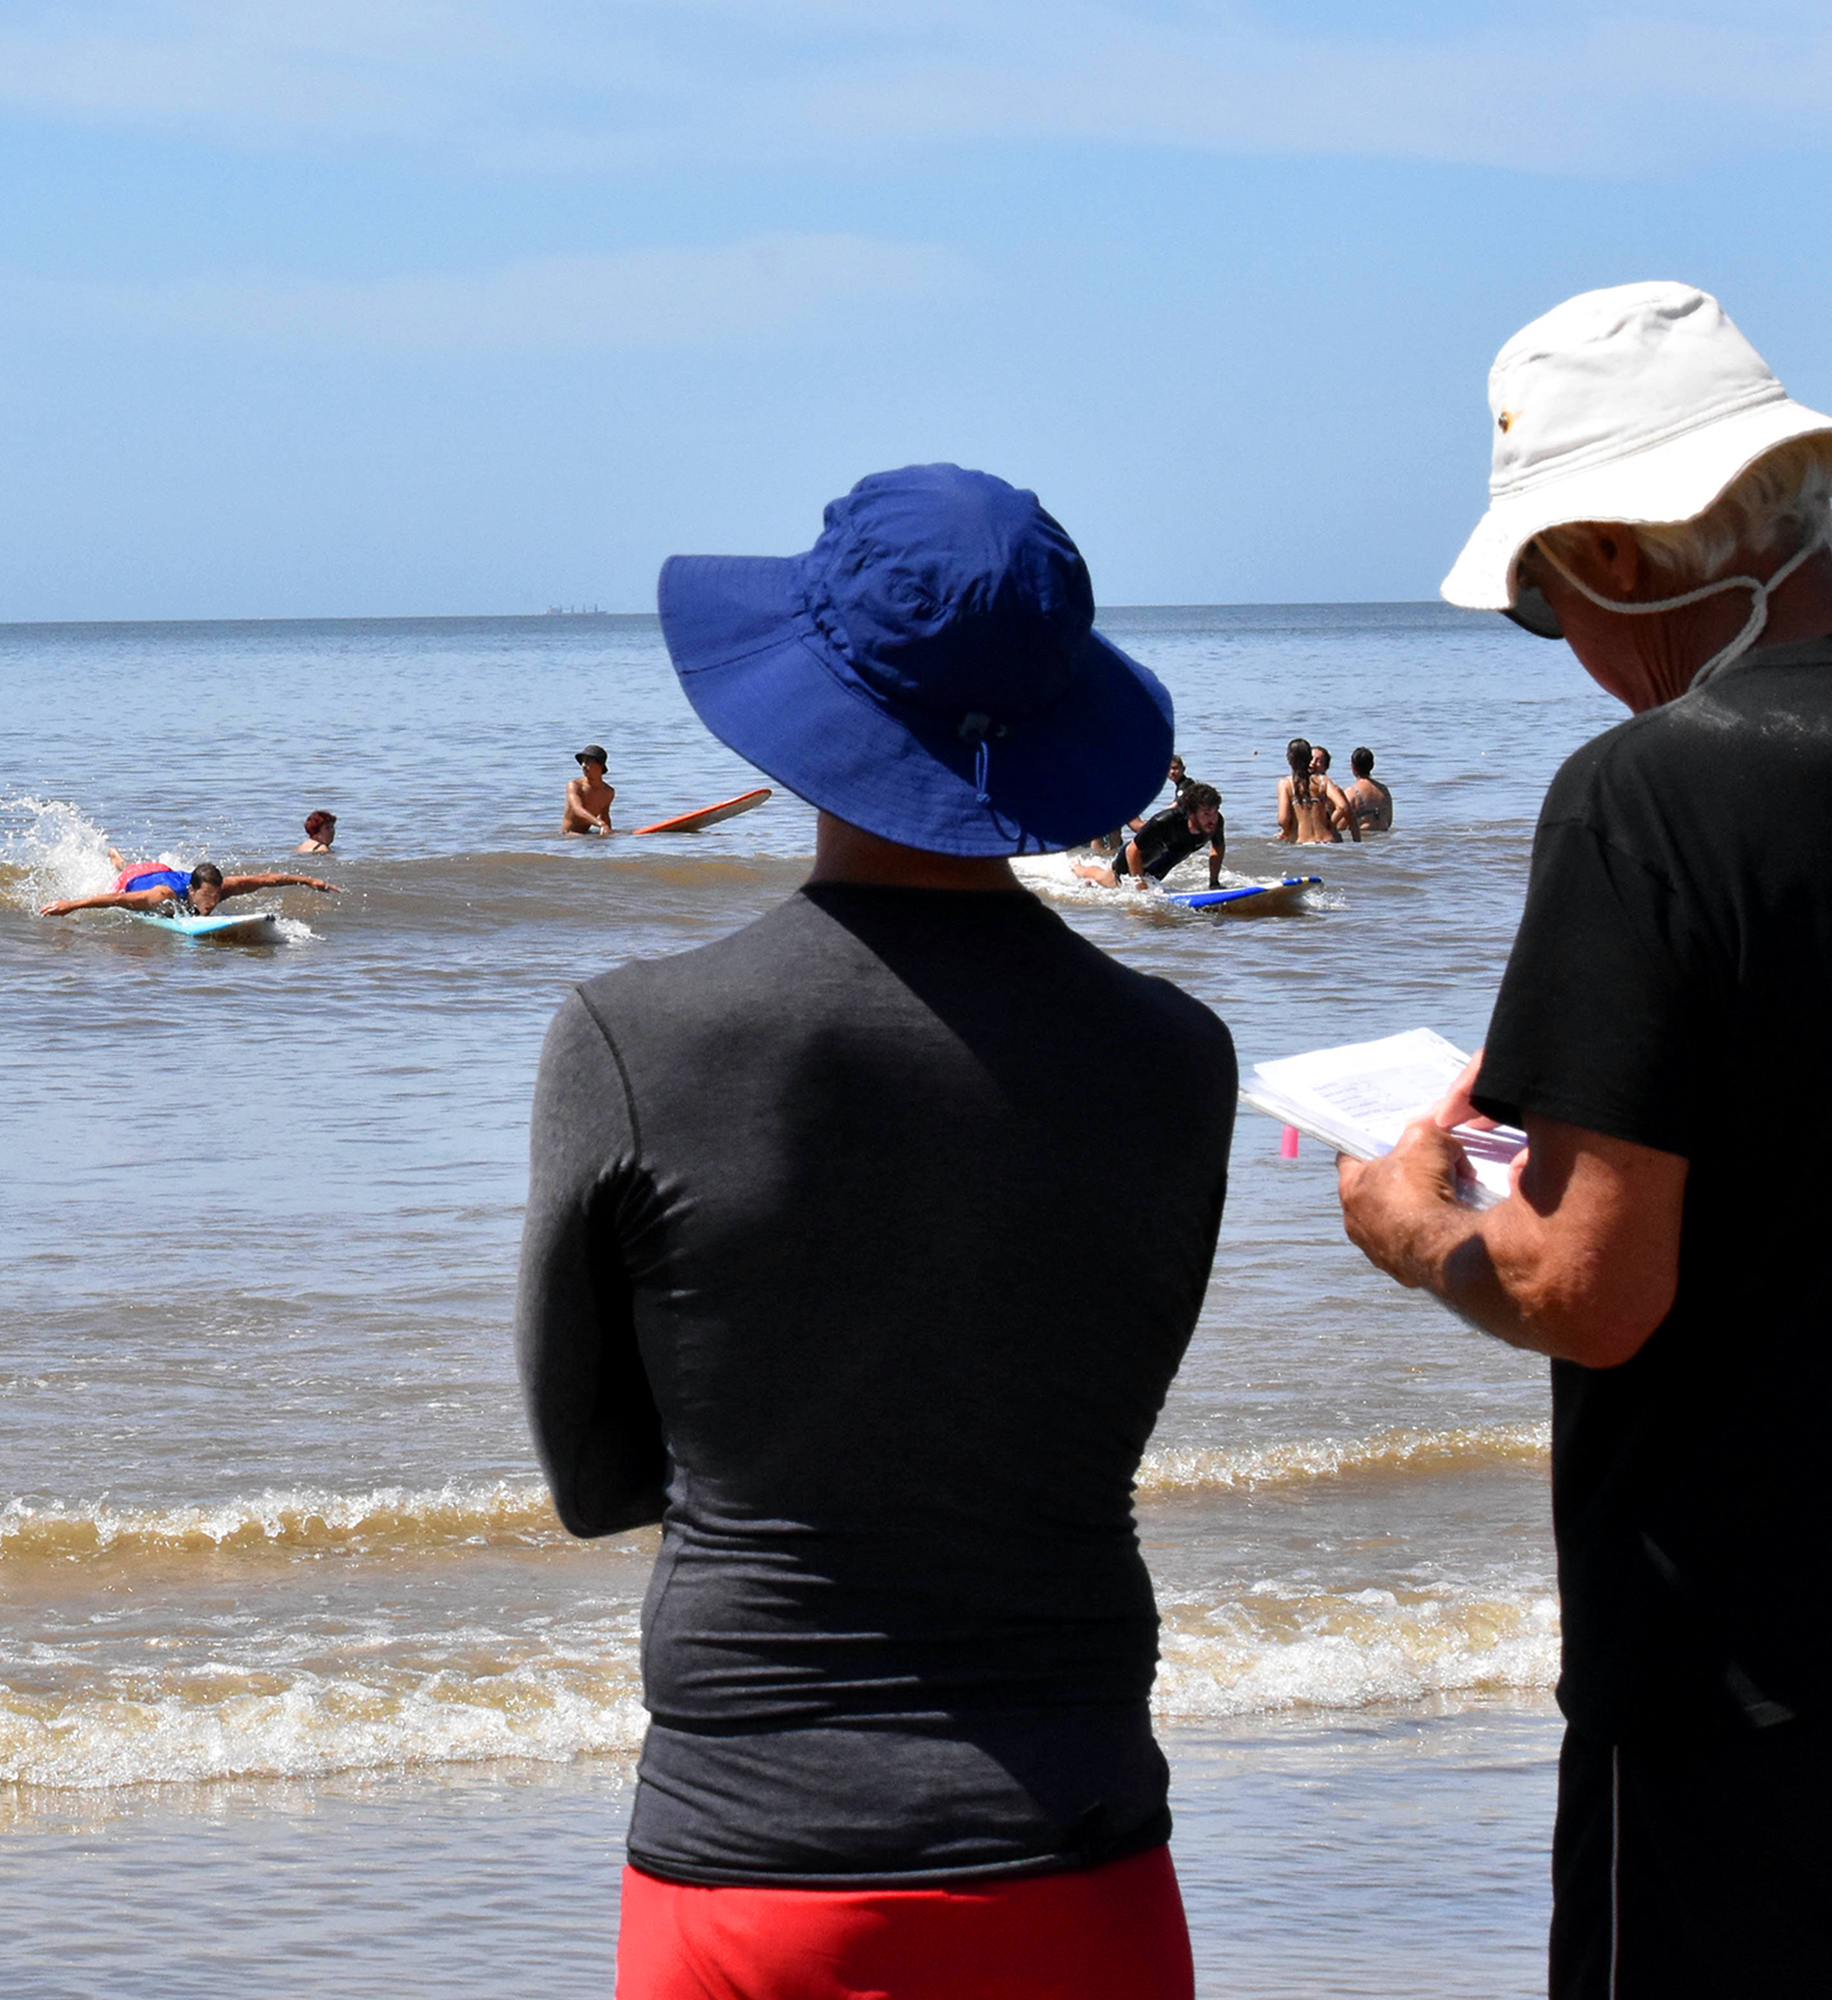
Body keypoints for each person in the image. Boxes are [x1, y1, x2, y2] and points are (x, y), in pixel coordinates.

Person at [1334, 281, 1832, 1997]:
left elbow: (1591, 1289)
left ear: (1608, 557)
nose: (1572, 654)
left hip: (1747, 1666)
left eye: (1542, 603)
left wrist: (1413, 1220)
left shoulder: (1650, 793)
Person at [520, 464, 1230, 1999]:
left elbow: (596, 1482)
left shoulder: (632, 1038)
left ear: (806, 707)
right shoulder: (1179, 1057)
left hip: (751, 1852)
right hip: (1076, 1831)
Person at [38, 850, 337, 919]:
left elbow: (266, 880)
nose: (211, 904)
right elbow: (113, 900)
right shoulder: (160, 896)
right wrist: (70, 905)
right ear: (192, 891)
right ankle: (117, 860)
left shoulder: (221, 888)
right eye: (206, 898)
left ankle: (119, 857)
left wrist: (310, 880)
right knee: (126, 869)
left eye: (216, 897)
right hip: (139, 877)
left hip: (163, 869)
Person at [1074, 781, 1224, 890]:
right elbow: (1132, 850)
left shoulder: (1215, 823)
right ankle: (1078, 868)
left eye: (1214, 812)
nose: (1212, 819)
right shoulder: (1164, 821)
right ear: (1191, 813)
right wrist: (1139, 886)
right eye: (1206, 813)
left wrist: (1214, 882)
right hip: (1131, 861)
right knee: (1105, 879)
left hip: (1158, 868)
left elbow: (1217, 847)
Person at [1275, 736, 1357, 843]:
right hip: (1328, 841)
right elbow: (1342, 807)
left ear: (1289, 759)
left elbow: (1283, 820)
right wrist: (1329, 825)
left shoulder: (1285, 784)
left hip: (1303, 843)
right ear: (1309, 759)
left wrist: (1286, 832)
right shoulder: (1323, 780)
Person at [563, 745, 616, 835]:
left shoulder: (608, 792)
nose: (583, 765)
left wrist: (609, 832)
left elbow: (605, 816)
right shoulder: (575, 785)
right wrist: (600, 823)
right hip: (569, 835)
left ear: (601, 766)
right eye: (583, 762)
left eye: (588, 762)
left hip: (587, 834)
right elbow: (577, 809)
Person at [1339, 747, 1392, 834]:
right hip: (1383, 837)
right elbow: (1389, 820)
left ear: (1353, 767)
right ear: (1372, 765)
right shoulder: (1384, 790)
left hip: (1364, 839)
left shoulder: (1351, 792)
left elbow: (1341, 826)